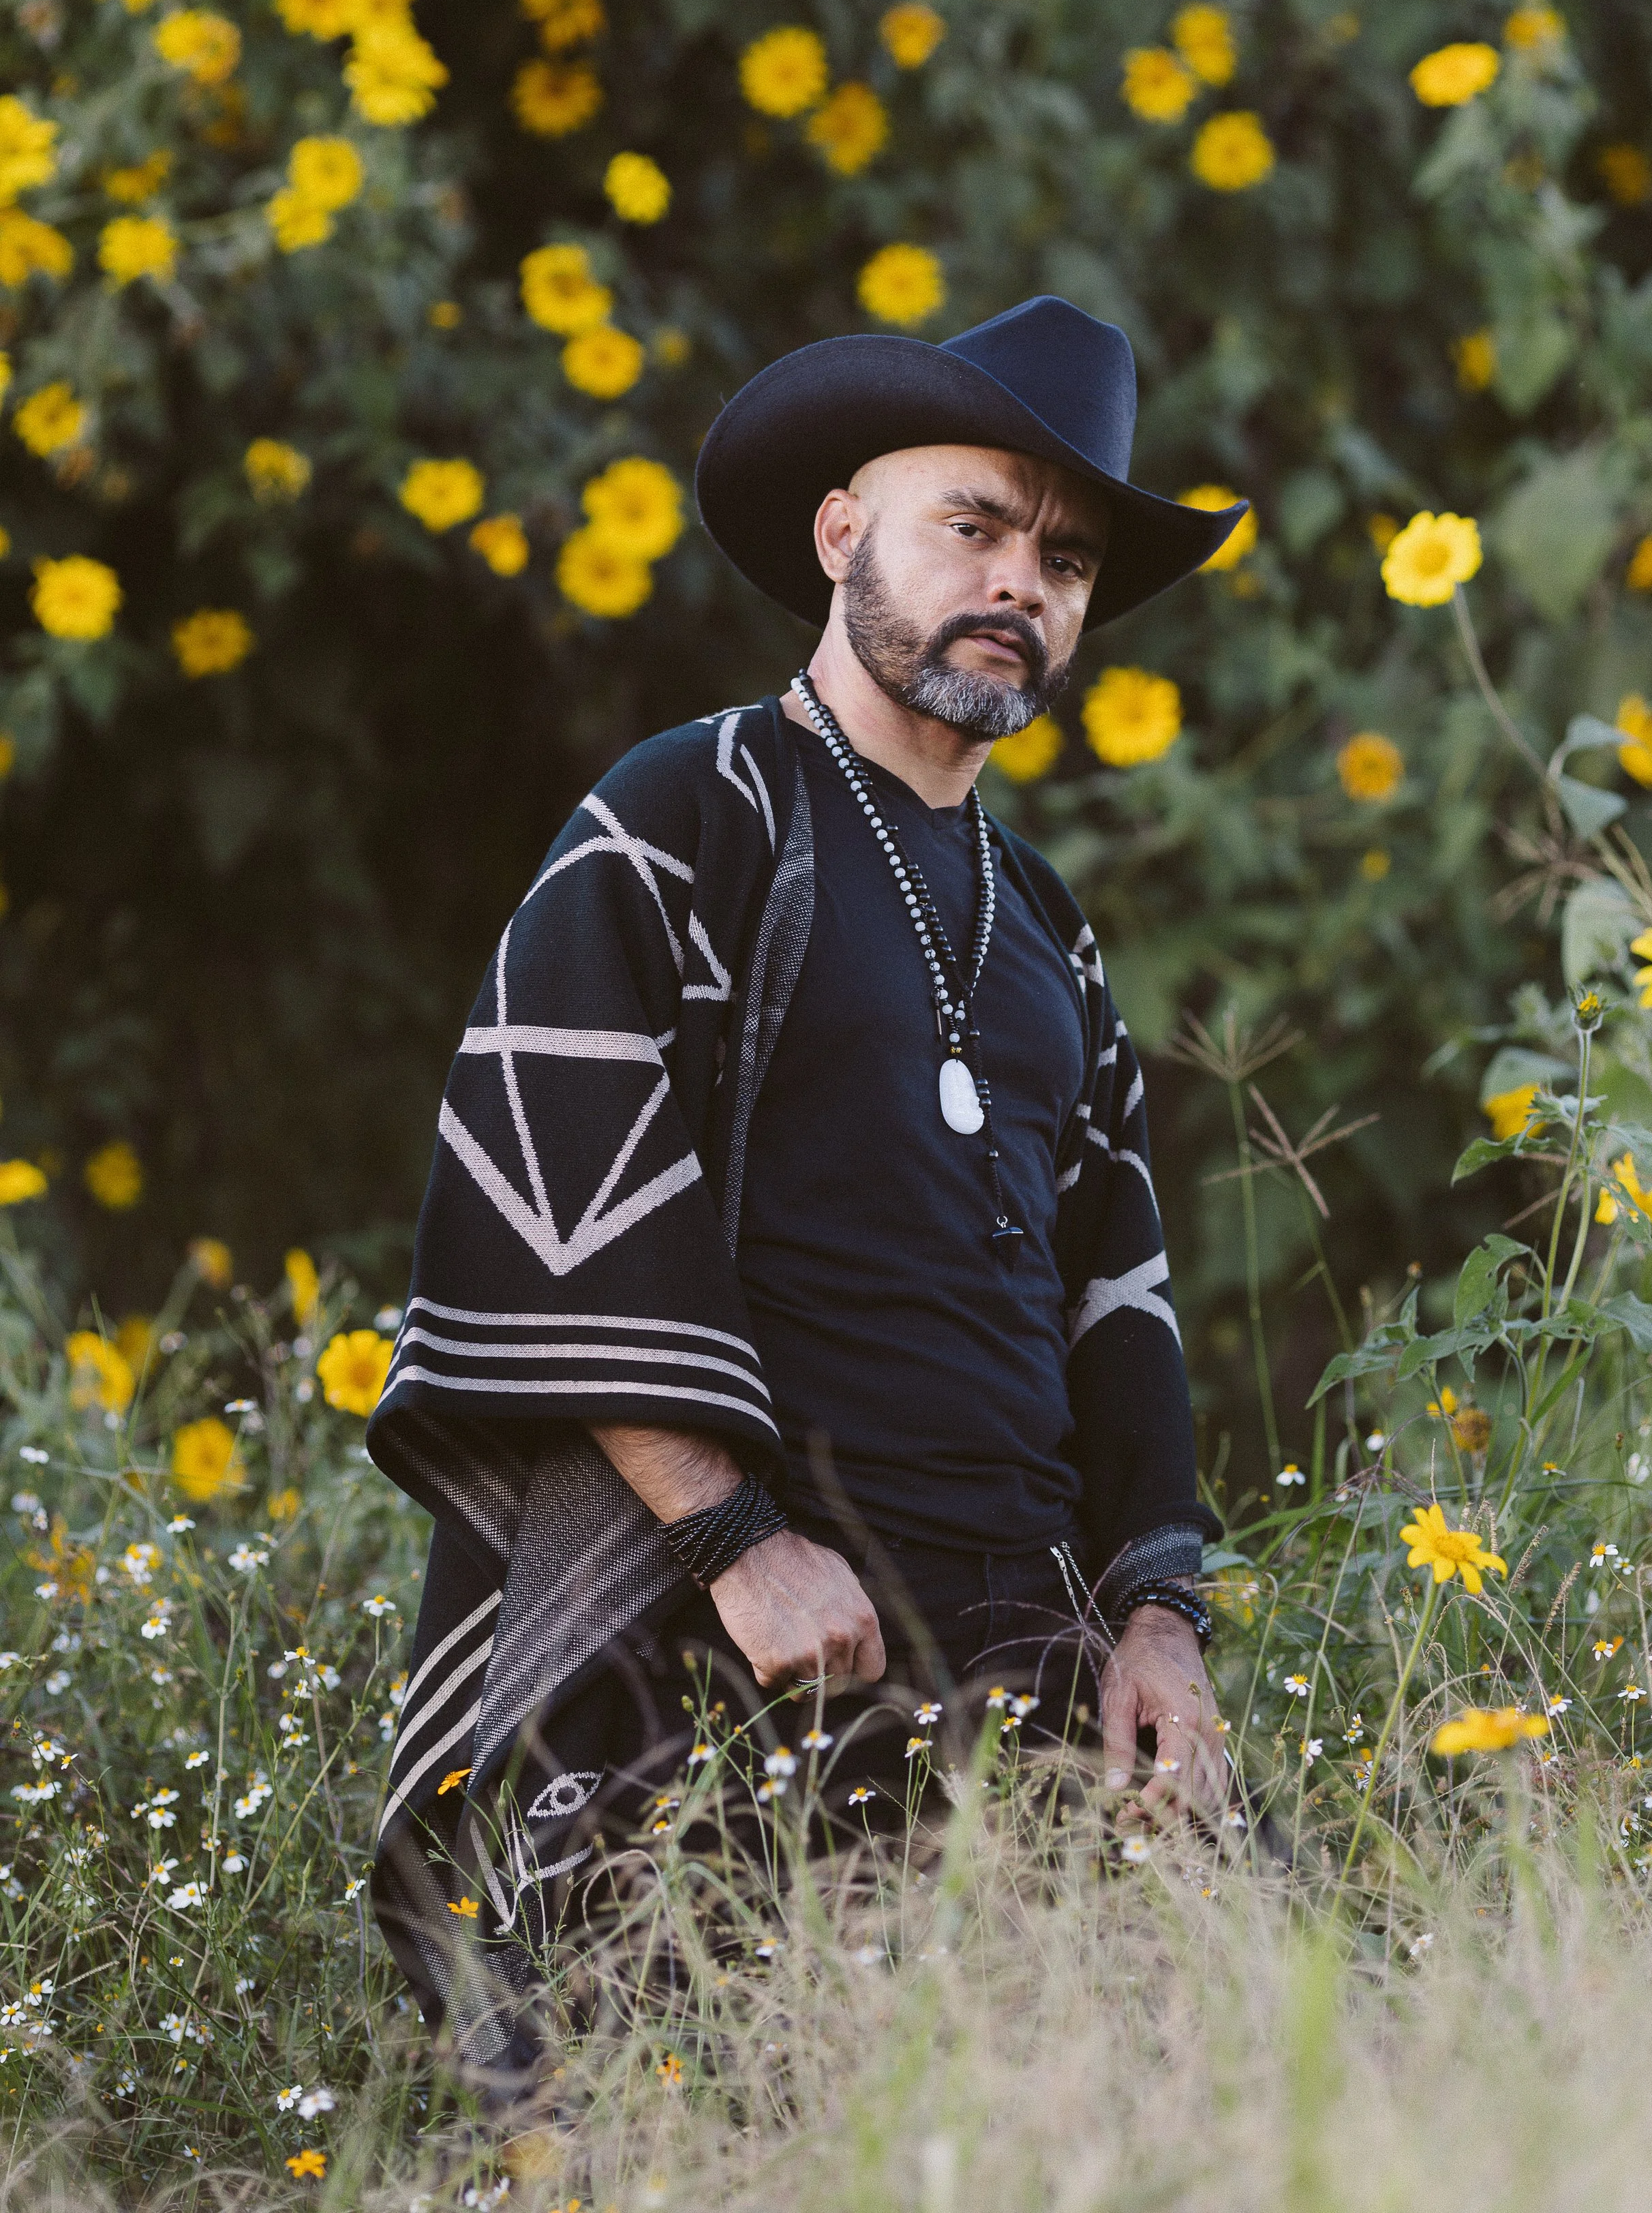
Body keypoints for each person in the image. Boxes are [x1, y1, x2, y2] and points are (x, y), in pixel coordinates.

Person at [365, 294, 1247, 2082]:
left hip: (1023, 1658)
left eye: (1063, 557)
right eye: (973, 525)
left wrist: (1156, 1617)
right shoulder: (684, 815)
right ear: (842, 530)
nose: (1021, 581)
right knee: (713, 2131)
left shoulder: (1048, 929)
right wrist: (733, 1540)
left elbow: (1117, 1296)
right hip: (743, 1664)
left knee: (1206, 2109)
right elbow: (553, 1190)